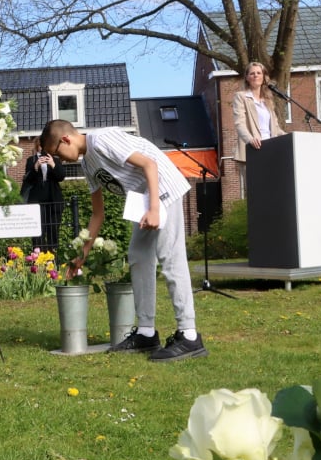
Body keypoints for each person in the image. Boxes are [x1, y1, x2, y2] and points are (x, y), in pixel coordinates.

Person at [40, 119, 205, 362]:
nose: (60, 160)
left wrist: (155, 208)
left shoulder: (102, 139)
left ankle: (189, 335)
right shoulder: (87, 164)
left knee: (171, 259)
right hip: (144, 201)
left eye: (57, 153)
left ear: (65, 139)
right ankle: (147, 333)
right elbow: (98, 214)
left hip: (163, 192)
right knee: (138, 258)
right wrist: (82, 255)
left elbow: (149, 164)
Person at [231, 61, 286, 192]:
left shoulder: (268, 100)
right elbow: (239, 123)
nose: (255, 75)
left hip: (271, 148)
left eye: (258, 73)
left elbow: (275, 128)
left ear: (264, 77)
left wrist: (290, 136)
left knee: (273, 189)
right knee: (257, 192)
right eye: (252, 73)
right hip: (254, 149)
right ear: (247, 77)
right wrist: (250, 139)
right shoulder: (241, 97)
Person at [21, 138, 66, 250]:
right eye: (42, 146)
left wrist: (53, 164)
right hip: (37, 203)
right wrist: (35, 167)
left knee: (53, 231)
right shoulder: (31, 160)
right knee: (38, 232)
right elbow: (27, 180)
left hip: (53, 202)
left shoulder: (55, 159)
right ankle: (38, 260)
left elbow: (61, 177)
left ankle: (53, 259)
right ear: (37, 146)